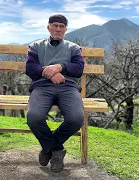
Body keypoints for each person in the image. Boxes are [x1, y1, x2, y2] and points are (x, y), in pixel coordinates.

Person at [25, 14, 84, 172]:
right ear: (48, 27)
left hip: (68, 87)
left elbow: (78, 69)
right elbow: (30, 68)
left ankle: (47, 149)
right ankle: (55, 150)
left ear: (65, 29)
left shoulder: (73, 48)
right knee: (34, 118)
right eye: (55, 25)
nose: (58, 29)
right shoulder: (36, 46)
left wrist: (60, 67)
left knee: (76, 119)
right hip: (42, 87)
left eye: (61, 26)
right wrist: (50, 72)